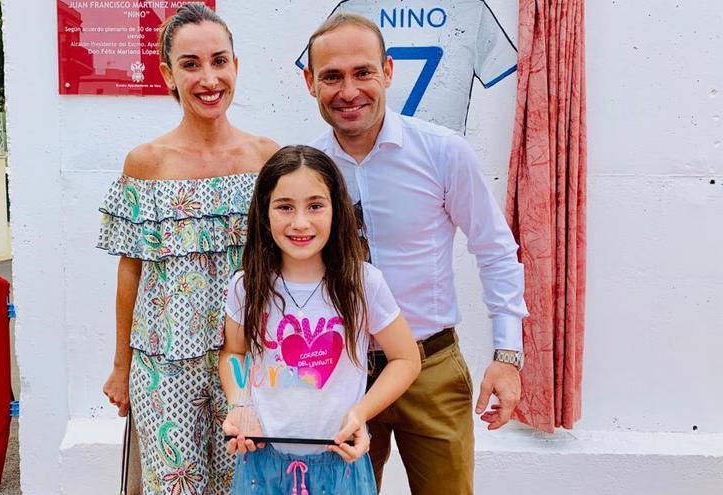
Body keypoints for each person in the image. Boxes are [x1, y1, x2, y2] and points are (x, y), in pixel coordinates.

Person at [302, 13, 529, 495]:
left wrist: (507, 355)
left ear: (387, 71)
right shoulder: (307, 171)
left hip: (432, 369)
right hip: (340, 375)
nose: (349, 90)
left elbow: (494, 250)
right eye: (332, 76)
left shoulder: (443, 152)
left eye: (362, 72)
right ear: (310, 82)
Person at [97, 5, 278, 493]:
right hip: (162, 364)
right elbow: (130, 270)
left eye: (219, 61)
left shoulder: (267, 159)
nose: (208, 77)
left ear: (236, 66)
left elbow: (288, 262)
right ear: (168, 75)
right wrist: (120, 366)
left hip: (247, 359)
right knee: (172, 486)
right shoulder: (145, 163)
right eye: (191, 64)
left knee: (245, 483)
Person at [219, 145, 421, 494]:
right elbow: (233, 353)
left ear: (336, 210)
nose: (300, 222)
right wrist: (240, 404)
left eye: (315, 206)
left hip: (339, 465)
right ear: (264, 213)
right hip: (262, 466)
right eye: (284, 207)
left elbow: (406, 359)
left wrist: (360, 413)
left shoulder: (363, 282)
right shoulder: (246, 285)